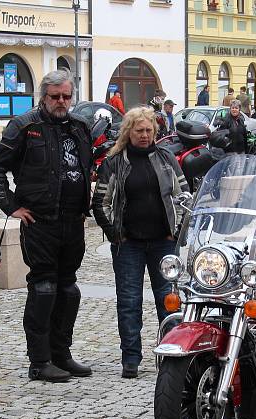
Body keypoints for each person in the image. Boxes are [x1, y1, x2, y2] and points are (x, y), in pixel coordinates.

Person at [0, 69, 93, 383]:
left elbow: (88, 166)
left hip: (73, 222)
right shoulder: (24, 126)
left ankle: (62, 354)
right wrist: (12, 206)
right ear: (43, 96)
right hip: (41, 222)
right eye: (55, 96)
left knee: (68, 289)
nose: (61, 101)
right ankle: (40, 360)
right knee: (43, 289)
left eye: (66, 96)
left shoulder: (79, 127)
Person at [92, 107, 189, 379]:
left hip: (163, 242)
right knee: (129, 301)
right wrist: (115, 233)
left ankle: (171, 353)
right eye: (139, 131)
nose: (144, 135)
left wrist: (177, 230)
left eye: (149, 130)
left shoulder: (167, 158)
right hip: (129, 244)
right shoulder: (114, 162)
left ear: (155, 132)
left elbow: (184, 197)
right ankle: (131, 358)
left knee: (168, 301)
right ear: (128, 132)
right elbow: (100, 202)